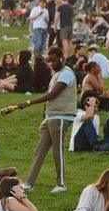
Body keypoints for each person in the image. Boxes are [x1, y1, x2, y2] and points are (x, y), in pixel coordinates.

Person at [16, 47, 77, 193]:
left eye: (53, 61)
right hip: (51, 117)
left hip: (61, 117)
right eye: (49, 61)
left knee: (58, 152)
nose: (51, 64)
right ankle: (29, 183)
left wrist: (28, 103)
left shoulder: (67, 74)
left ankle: (61, 185)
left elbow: (52, 95)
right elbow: (49, 95)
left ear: (61, 58)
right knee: (39, 151)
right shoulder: (57, 74)